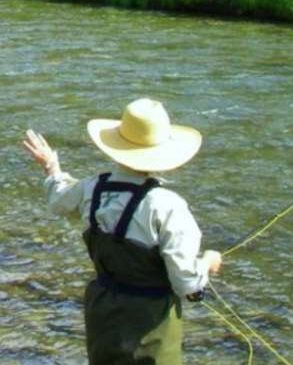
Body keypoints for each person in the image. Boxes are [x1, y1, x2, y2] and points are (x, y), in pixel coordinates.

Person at [23, 98, 222, 364]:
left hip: (103, 313)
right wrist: (208, 261)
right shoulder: (168, 206)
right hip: (151, 324)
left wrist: (51, 166)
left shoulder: (92, 188)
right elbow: (186, 284)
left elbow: (59, 200)